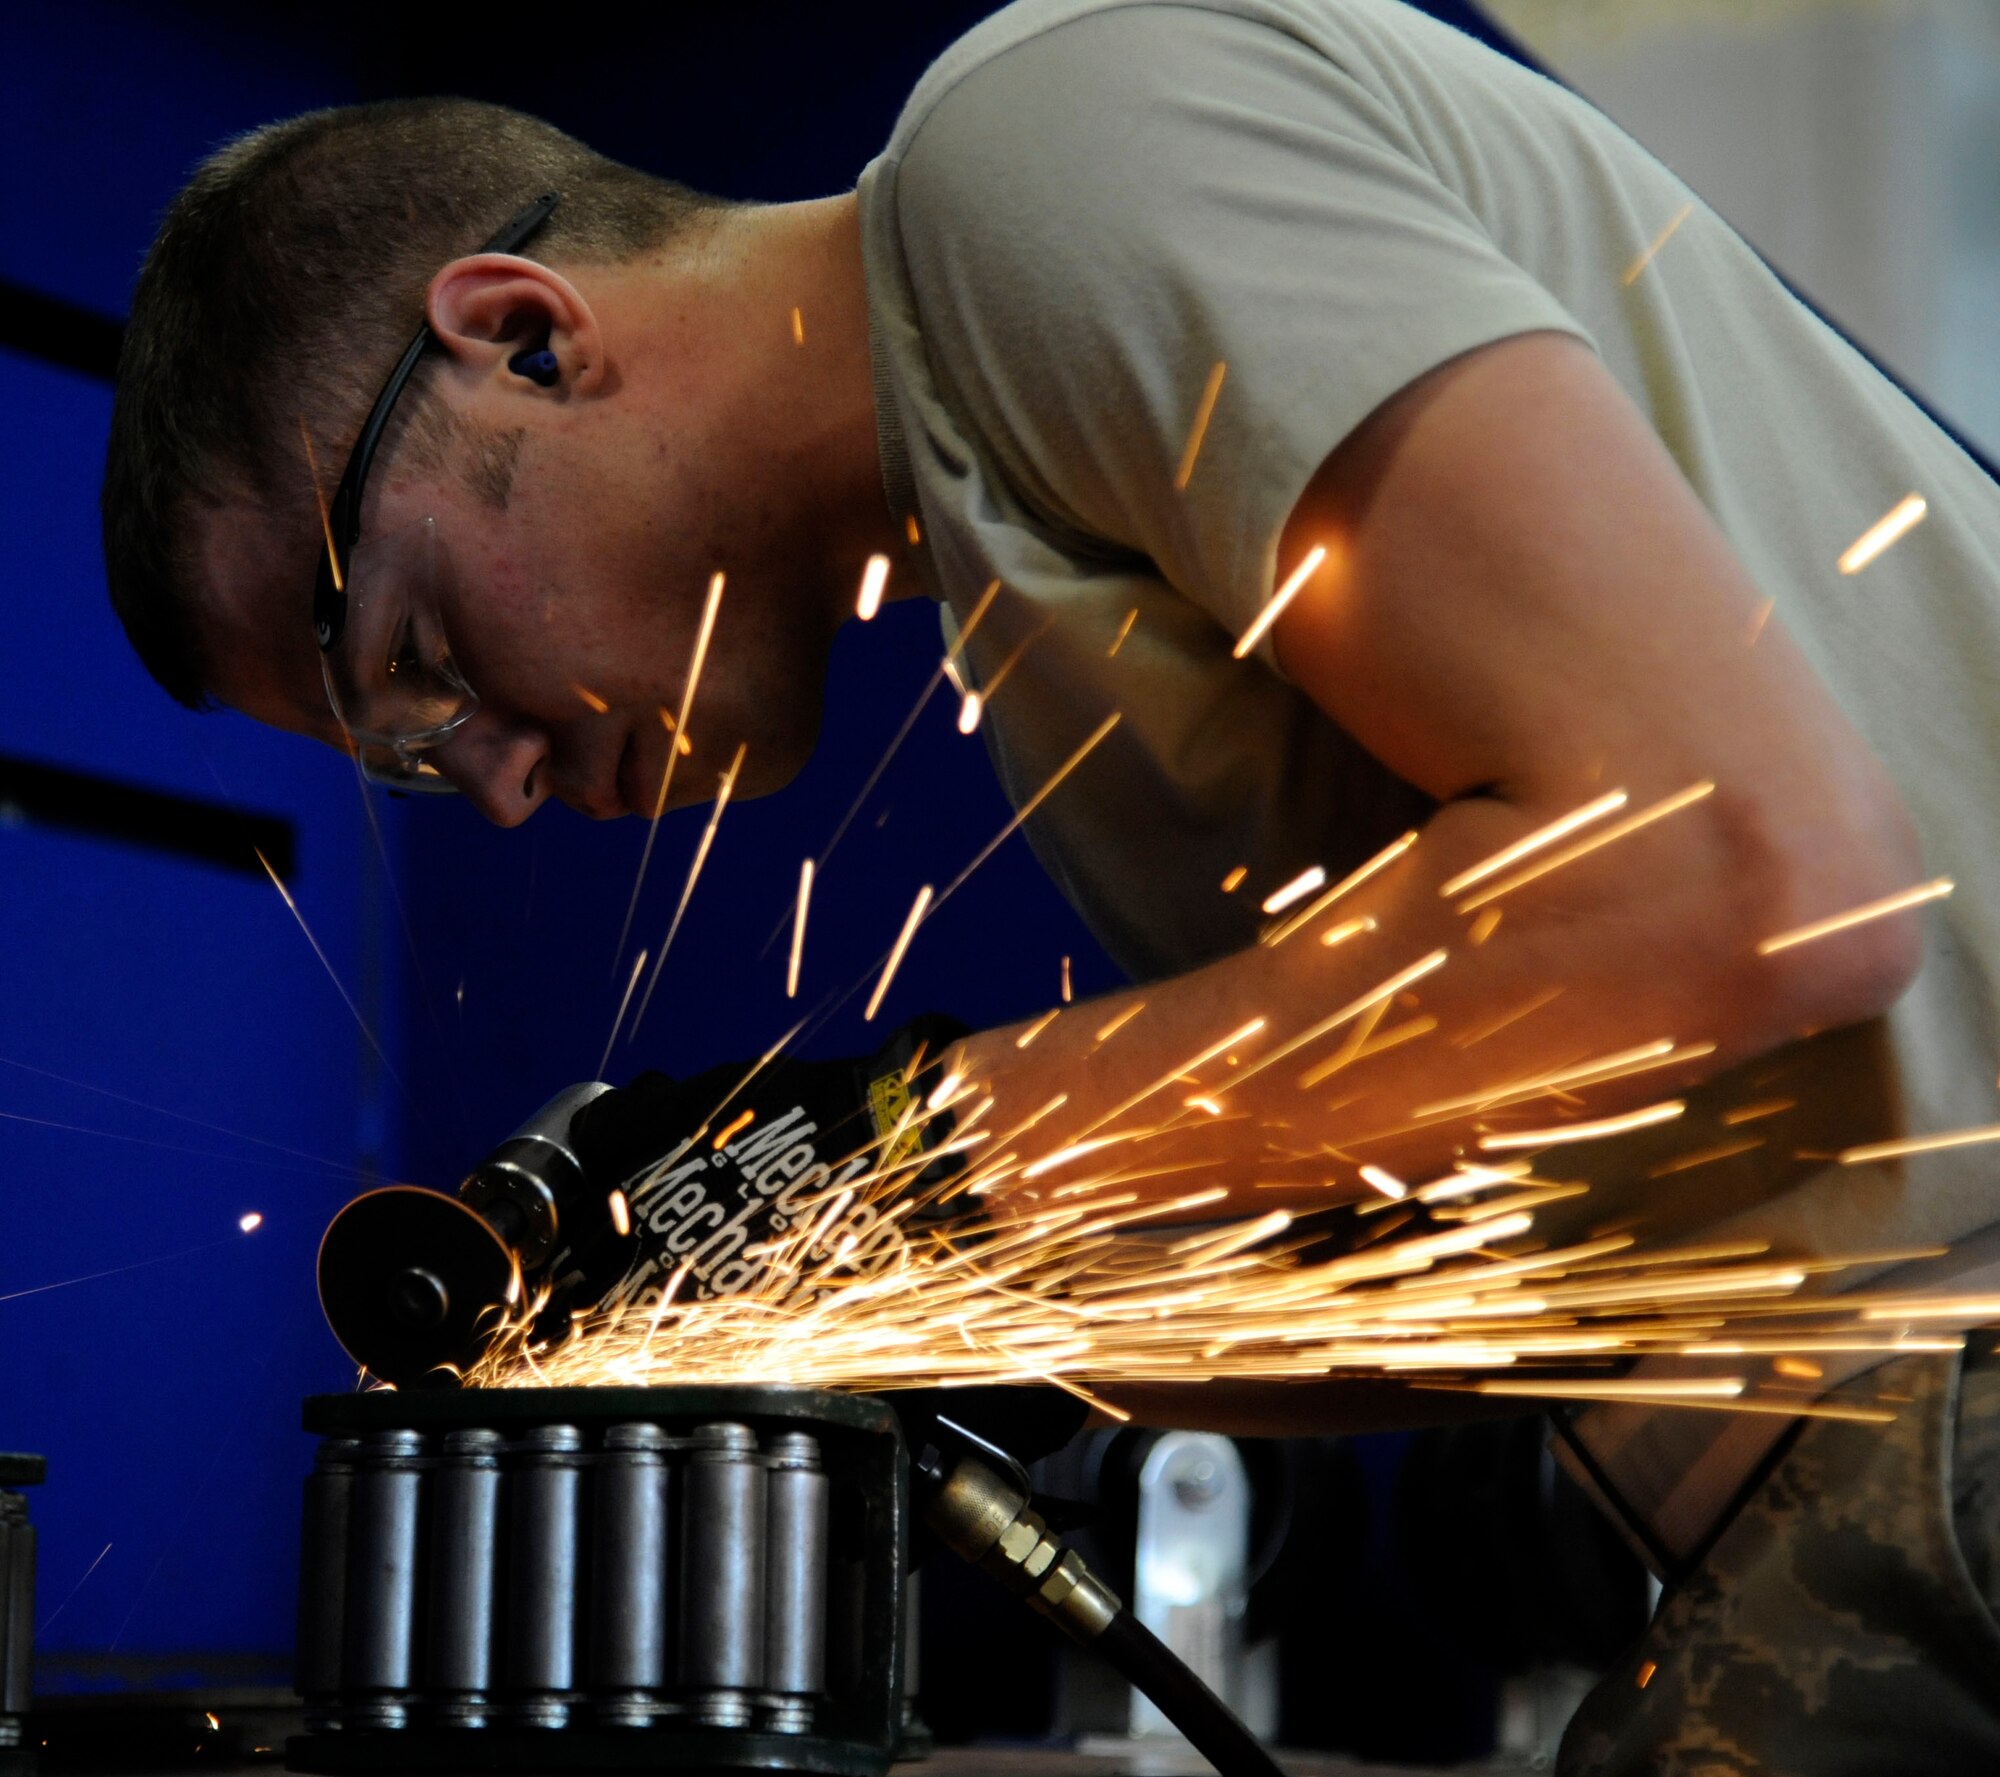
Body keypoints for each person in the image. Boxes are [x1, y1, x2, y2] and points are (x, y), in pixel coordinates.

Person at [100, 0, 2000, 1768]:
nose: (493, 783)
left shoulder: (1050, 151)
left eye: (421, 660)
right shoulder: (1038, 560)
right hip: (1843, 1506)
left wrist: (908, 1148)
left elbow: (1752, 876)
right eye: (415, 762)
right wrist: (910, 1280)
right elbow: (1479, 1240)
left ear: (525, 332)